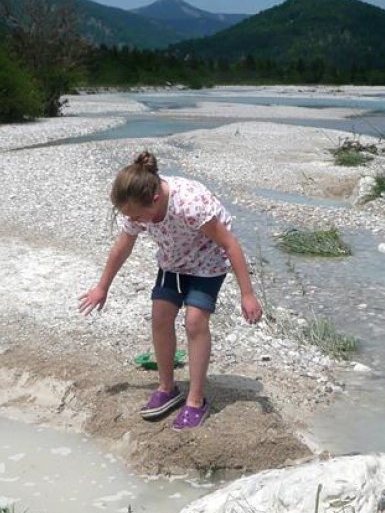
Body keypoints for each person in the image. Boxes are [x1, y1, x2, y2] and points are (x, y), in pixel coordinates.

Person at [78, 151, 262, 430]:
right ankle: (167, 388)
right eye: (130, 216)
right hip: (173, 260)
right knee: (161, 317)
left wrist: (247, 294)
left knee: (195, 322)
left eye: (139, 216)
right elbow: (123, 246)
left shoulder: (190, 203)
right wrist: (102, 286)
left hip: (207, 262)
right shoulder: (138, 208)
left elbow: (230, 244)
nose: (137, 221)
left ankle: (196, 400)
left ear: (155, 199)